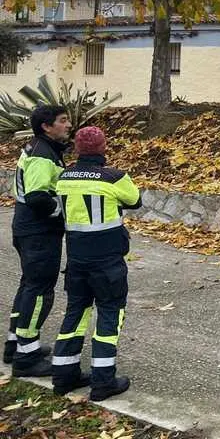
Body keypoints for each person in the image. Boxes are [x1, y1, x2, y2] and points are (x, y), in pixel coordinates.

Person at [51, 126, 141, 400]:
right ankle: (103, 382)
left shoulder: (64, 177)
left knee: (76, 313)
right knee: (110, 314)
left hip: (77, 260)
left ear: (77, 150)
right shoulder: (114, 177)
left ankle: (63, 376)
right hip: (108, 262)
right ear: (104, 147)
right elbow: (135, 200)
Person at [6, 104, 71, 376]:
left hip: (27, 228)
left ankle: (15, 343)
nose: (69, 125)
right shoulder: (43, 155)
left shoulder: (36, 147)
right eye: (63, 120)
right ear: (46, 126)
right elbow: (37, 197)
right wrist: (61, 212)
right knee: (40, 290)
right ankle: (27, 357)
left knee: (29, 285)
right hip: (39, 232)